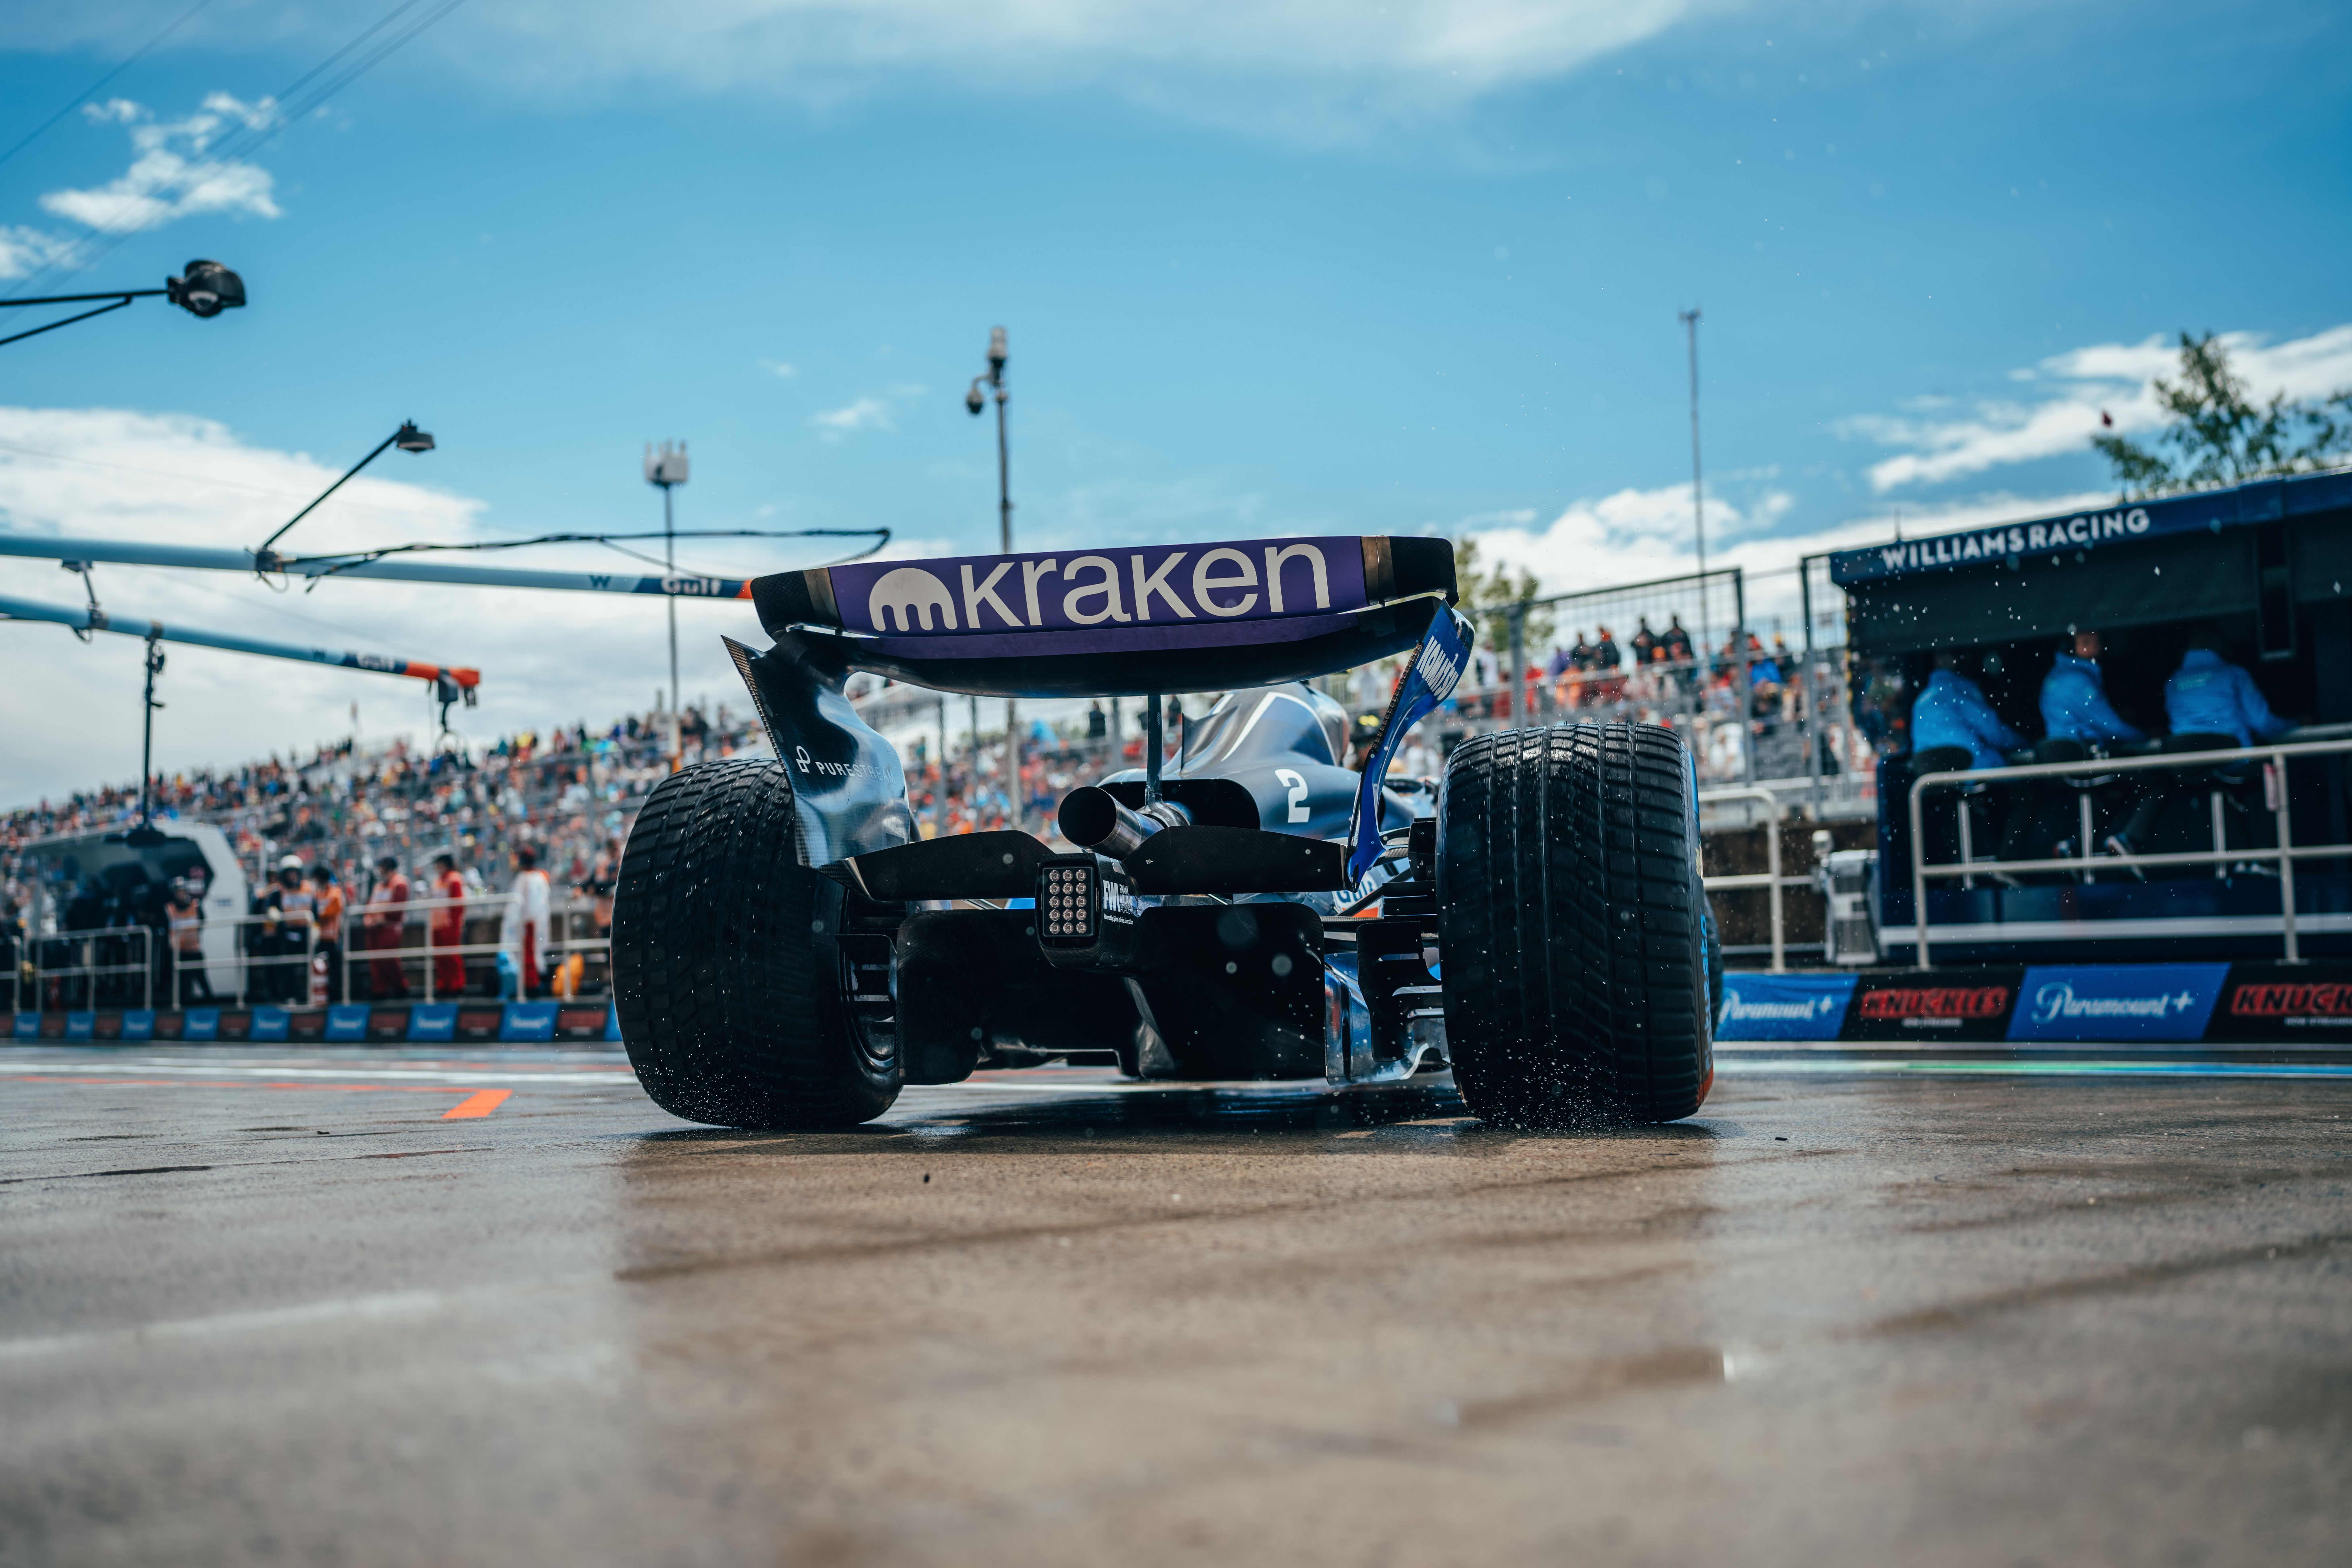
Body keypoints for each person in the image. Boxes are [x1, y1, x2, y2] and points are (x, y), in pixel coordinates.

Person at [1909, 649, 2023, 769]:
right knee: (2024, 782)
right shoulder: (1959, 692)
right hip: (1973, 774)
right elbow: (1994, 731)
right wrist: (2024, 744)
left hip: (1933, 781)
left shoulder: (1921, 701)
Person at [2040, 631, 2144, 747]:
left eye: (2098, 643)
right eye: (2086, 643)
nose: (2094, 649)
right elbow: (2110, 726)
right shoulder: (2076, 680)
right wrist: (2144, 737)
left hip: (2067, 751)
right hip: (2081, 753)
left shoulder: (2057, 675)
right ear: (2070, 646)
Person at [364, 855, 411, 999]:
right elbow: (370, 905)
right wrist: (368, 919)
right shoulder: (379, 886)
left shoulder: (400, 883)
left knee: (389, 960)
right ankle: (379, 990)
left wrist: (381, 919)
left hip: (390, 928)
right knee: (376, 961)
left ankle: (401, 988)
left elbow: (397, 909)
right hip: (374, 929)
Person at [510, 845, 552, 998]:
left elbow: (516, 906)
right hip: (538, 922)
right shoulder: (540, 877)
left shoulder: (525, 878)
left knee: (529, 956)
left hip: (528, 923)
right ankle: (533, 984)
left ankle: (531, 985)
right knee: (534, 956)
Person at [429, 852, 468, 999]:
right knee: (440, 957)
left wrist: (454, 923)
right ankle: (444, 984)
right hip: (437, 925)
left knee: (452, 956)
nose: (437, 867)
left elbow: (458, 904)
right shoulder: (437, 881)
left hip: (449, 925)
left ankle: (457, 985)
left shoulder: (455, 879)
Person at [166, 877, 210, 1005]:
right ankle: (182, 1006)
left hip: (195, 950)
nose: (181, 893)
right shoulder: (170, 908)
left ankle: (211, 1004)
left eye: (182, 890)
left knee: (202, 979)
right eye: (178, 891)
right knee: (183, 982)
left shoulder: (195, 906)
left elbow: (202, 922)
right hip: (179, 952)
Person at [310, 864, 345, 1005]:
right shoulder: (317, 893)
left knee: (336, 969)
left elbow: (331, 912)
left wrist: (318, 916)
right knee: (321, 969)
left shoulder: (335, 892)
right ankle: (324, 997)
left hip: (333, 938)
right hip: (319, 938)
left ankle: (337, 997)